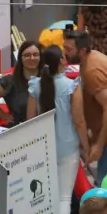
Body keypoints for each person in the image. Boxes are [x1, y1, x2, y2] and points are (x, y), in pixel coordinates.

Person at [64, 30, 107, 211]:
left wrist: (99, 145)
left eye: (69, 49)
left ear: (82, 50)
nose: (65, 52)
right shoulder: (90, 59)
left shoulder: (92, 70)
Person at [32, 44, 82, 194]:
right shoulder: (71, 86)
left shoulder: (35, 85)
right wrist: (86, 145)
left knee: (48, 196)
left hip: (43, 148)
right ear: (62, 61)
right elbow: (79, 120)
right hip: (68, 147)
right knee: (64, 197)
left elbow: (30, 120)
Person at [0, 40, 41, 125]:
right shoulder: (10, 82)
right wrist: (5, 116)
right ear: (20, 58)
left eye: (35, 55)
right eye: (27, 55)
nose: (32, 58)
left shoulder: (47, 77)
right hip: (20, 129)